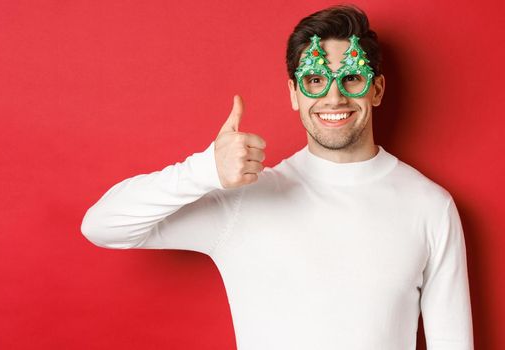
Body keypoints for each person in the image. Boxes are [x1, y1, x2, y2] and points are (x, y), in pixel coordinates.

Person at [80, 4, 473, 350]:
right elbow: (101, 226)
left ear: (377, 89)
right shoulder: (245, 199)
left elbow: (452, 343)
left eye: (352, 77)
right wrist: (203, 171)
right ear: (293, 93)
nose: (334, 97)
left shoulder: (429, 207)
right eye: (315, 80)